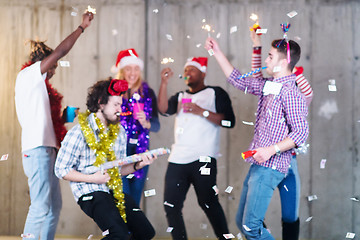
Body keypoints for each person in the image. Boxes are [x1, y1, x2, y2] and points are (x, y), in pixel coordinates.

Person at [205, 36, 309, 240]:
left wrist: (270, 150)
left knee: (251, 226)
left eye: (270, 57)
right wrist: (216, 51)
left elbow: (301, 133)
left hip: (270, 166)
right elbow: (237, 80)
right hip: (258, 164)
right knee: (242, 223)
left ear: (283, 62)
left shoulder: (291, 93)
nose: (266, 61)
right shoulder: (270, 85)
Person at [15, 12, 94, 240]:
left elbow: (50, 118)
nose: (53, 71)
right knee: (40, 206)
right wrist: (81, 27)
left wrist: (68, 114)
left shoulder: (38, 87)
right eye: (53, 66)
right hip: (37, 150)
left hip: (49, 150)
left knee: (54, 207)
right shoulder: (28, 75)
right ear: (43, 63)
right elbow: (60, 50)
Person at [55, 78, 156, 240]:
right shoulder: (79, 132)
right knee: (119, 234)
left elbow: (118, 170)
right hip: (89, 193)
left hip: (112, 191)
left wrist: (139, 164)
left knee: (146, 232)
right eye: (115, 105)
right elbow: (60, 170)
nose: (120, 109)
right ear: (101, 103)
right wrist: (93, 179)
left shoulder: (120, 132)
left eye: (121, 104)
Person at [157, 57, 236, 240]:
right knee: (171, 205)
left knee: (208, 202)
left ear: (203, 73)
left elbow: (229, 122)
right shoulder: (180, 96)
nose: (187, 73)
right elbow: (163, 109)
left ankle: (225, 238)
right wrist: (164, 83)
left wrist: (202, 111)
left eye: (192, 70)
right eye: (185, 70)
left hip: (204, 158)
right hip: (178, 159)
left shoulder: (216, 93)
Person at [249, 30, 313, 239]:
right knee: (254, 216)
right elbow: (258, 76)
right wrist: (257, 46)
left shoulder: (294, 94)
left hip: (288, 162)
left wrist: (290, 64)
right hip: (272, 161)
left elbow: (307, 95)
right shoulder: (273, 86)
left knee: (289, 215)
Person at [112, 48, 160, 206]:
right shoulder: (112, 92)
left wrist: (146, 123)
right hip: (118, 148)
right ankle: (121, 231)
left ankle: (132, 231)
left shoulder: (148, 93)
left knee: (135, 198)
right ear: (121, 70)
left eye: (136, 69)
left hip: (141, 150)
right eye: (128, 68)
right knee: (122, 196)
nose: (132, 73)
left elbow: (156, 126)